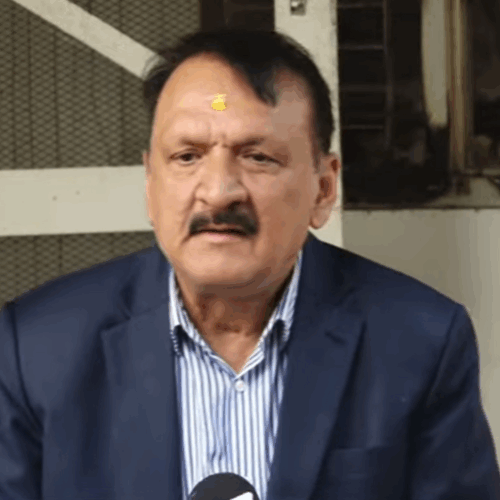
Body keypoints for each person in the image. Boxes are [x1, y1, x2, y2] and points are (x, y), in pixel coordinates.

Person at [0, 29, 498, 500]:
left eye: (258, 157)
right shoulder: (37, 350)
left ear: (324, 189)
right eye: (187, 156)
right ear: (150, 185)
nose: (218, 192)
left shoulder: (419, 343)